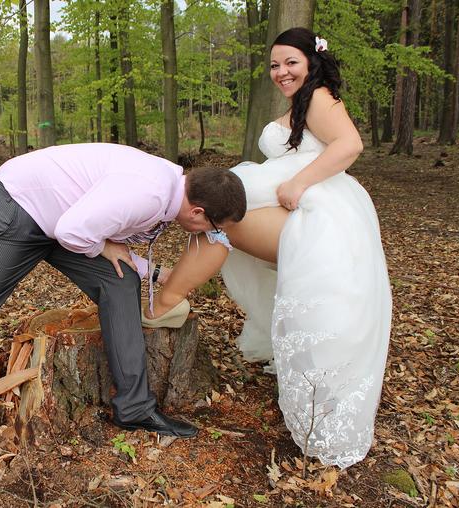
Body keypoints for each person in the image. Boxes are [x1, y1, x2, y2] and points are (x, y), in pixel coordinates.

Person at [0, 142, 247, 489]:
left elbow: (92, 227)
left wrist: (148, 270)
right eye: (214, 228)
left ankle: (135, 408)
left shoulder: (170, 185)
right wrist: (108, 248)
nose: (210, 235)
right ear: (197, 212)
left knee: (120, 280)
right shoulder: (148, 194)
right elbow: (74, 232)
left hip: (61, 217)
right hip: (16, 211)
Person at [144, 28, 392, 469]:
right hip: (307, 209)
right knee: (217, 217)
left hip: (322, 217)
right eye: (275, 65)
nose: (281, 72)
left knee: (218, 222)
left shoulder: (319, 98)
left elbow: (350, 144)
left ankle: (165, 302)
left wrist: (299, 182)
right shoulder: (301, 103)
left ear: (312, 62)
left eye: (291, 62)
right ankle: (167, 297)